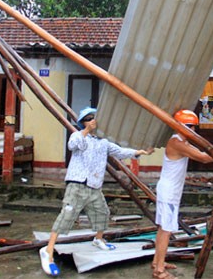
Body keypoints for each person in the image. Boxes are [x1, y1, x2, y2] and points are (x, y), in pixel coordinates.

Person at [39, 106, 154, 277]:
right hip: (77, 184)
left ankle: (98, 239)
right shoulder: (78, 136)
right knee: (67, 216)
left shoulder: (104, 142)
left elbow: (120, 152)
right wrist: (86, 130)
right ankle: (48, 251)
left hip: (94, 185)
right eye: (88, 118)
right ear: (83, 123)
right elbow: (73, 145)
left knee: (102, 212)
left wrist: (139, 152)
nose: (92, 121)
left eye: (94, 118)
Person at [151, 109, 213, 279]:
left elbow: (205, 152)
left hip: (170, 190)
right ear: (179, 126)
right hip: (169, 191)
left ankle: (158, 262)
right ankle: (159, 270)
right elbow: (203, 157)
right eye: (189, 127)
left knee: (163, 227)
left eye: (193, 127)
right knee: (166, 229)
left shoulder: (182, 141)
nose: (192, 130)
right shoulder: (177, 142)